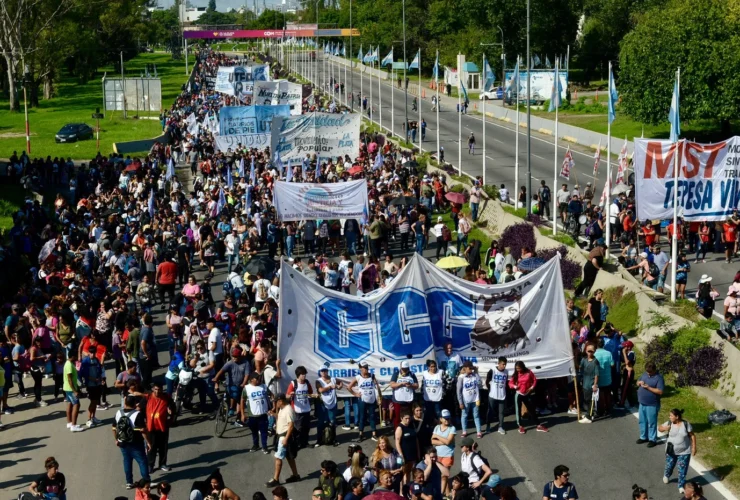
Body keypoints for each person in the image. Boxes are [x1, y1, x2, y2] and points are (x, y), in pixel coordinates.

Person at [113, 395, 152, 489]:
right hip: (136, 443)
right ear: (135, 403)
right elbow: (143, 431)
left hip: (122, 442)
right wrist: (148, 442)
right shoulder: (137, 414)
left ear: (125, 403)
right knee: (142, 461)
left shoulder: (118, 413)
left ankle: (129, 482)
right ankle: (146, 481)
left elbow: (114, 428)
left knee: (127, 461)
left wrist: (116, 439)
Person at [265, 393, 300, 487]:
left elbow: (291, 425)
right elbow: (281, 418)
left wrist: (286, 439)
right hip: (281, 436)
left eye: (276, 402)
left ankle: (276, 479)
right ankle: (295, 475)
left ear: (280, 401)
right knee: (289, 457)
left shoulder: (288, 410)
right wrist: (273, 414)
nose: (275, 404)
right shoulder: (282, 408)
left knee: (278, 457)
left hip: (284, 437)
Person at [659, 408, 697, 494]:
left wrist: (694, 447)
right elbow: (659, 428)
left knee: (682, 470)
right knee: (669, 465)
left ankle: (681, 485)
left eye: (671, 416)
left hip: (684, 452)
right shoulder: (669, 423)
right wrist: (664, 428)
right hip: (671, 451)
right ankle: (667, 475)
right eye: (669, 415)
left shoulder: (686, 424)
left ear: (677, 417)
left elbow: (692, 436)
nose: (669, 417)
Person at [509, 360, 548, 434]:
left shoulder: (529, 372)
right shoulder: (516, 374)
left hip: (527, 394)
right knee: (518, 410)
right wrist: (515, 386)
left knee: (532, 410)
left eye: (519, 368)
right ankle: (520, 426)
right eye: (516, 368)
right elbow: (510, 383)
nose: (518, 370)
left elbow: (534, 380)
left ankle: (538, 425)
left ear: (522, 367)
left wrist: (532, 387)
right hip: (519, 394)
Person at [348, 361, 382, 442]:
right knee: (362, 417)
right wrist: (355, 394)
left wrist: (379, 398)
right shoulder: (358, 377)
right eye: (365, 367)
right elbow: (349, 387)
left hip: (372, 399)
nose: (366, 369)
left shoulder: (372, 376)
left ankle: (374, 434)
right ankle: (361, 434)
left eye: (367, 367)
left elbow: (377, 387)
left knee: (372, 416)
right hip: (362, 400)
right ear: (360, 368)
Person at [145, 381, 175, 473]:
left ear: (162, 390)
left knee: (163, 447)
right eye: (156, 389)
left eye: (159, 389)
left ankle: (162, 464)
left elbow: (173, 406)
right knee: (151, 447)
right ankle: (150, 465)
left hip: (163, 427)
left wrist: (170, 409)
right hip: (151, 427)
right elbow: (140, 409)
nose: (157, 391)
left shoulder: (166, 398)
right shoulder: (148, 397)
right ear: (153, 389)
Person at [636, 361, 665, 447]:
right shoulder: (644, 374)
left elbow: (660, 391)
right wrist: (639, 383)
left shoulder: (659, 378)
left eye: (650, 372)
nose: (648, 374)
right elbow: (638, 381)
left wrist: (648, 387)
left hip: (652, 404)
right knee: (642, 421)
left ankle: (652, 439)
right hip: (642, 403)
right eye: (647, 372)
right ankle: (643, 437)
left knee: (652, 422)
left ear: (654, 370)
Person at [286, 365, 314, 449]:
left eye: (305, 374)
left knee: (306, 428)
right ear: (298, 375)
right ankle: (297, 443)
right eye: (302, 374)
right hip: (297, 410)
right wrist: (290, 394)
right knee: (298, 428)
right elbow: (287, 396)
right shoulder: (293, 383)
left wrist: (313, 395)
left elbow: (310, 393)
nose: (304, 375)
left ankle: (305, 442)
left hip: (306, 409)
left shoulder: (307, 382)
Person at [242, 371, 270, 453]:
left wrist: (273, 407)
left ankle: (264, 447)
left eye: (259, 378)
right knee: (254, 431)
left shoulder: (264, 386)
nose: (259, 379)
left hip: (263, 414)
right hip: (252, 415)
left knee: (264, 432)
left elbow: (271, 395)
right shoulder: (246, 388)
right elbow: (242, 400)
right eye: (257, 378)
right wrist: (242, 414)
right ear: (251, 380)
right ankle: (256, 445)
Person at [316, 366, 343, 447]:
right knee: (321, 422)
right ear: (320, 372)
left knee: (332, 422)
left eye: (325, 371)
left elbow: (340, 382)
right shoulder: (318, 381)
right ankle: (319, 440)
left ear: (327, 371)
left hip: (333, 403)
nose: (324, 372)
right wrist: (330, 387)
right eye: (322, 371)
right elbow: (321, 390)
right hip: (323, 404)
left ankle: (333, 439)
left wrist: (340, 386)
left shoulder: (333, 379)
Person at [457, 360, 482, 438]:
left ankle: (479, 432)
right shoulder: (461, 377)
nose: (471, 370)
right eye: (469, 368)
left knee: (476, 415)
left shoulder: (475, 375)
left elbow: (480, 384)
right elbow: (458, 391)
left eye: (472, 368)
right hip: (466, 400)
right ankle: (464, 431)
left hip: (475, 399)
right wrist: (460, 402)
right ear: (465, 368)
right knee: (464, 415)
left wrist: (476, 372)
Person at [390, 360, 418, 427]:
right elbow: (392, 385)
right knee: (398, 417)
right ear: (400, 367)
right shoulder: (396, 374)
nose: (405, 370)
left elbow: (416, 385)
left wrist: (410, 385)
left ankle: (408, 430)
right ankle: (397, 431)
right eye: (403, 369)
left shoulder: (412, 374)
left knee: (408, 417)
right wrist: (401, 384)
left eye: (406, 369)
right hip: (398, 400)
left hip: (408, 400)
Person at [395, 412, 420, 485]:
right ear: (401, 418)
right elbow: (397, 443)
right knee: (403, 473)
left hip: (412, 454)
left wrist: (418, 452)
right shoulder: (400, 428)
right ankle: (402, 489)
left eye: (409, 418)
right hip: (404, 455)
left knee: (409, 472)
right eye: (406, 418)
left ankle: (408, 487)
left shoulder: (411, 425)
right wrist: (401, 455)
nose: (408, 420)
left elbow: (416, 440)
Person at [485, 357, 508, 434]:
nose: (504, 366)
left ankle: (500, 427)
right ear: (498, 363)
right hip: (492, 395)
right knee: (490, 411)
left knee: (501, 412)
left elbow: (505, 382)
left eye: (505, 364)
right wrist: (491, 389)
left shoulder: (506, 371)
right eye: (503, 364)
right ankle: (488, 426)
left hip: (502, 395)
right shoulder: (493, 370)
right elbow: (487, 381)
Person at [63, 350, 84, 432]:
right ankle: (74, 425)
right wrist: (75, 391)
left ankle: (69, 422)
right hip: (70, 389)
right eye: (75, 356)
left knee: (70, 403)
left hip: (68, 388)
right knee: (76, 404)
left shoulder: (69, 363)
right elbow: (70, 379)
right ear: (72, 356)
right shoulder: (69, 365)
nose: (77, 358)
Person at [578, 343, 600, 421]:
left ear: (594, 351)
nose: (590, 353)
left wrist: (595, 385)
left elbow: (597, 375)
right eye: (588, 351)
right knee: (586, 399)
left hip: (591, 384)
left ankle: (589, 416)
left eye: (591, 351)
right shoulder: (584, 359)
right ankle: (589, 413)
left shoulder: (595, 361)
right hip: (585, 384)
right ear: (586, 351)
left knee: (590, 400)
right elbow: (580, 367)